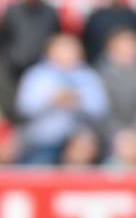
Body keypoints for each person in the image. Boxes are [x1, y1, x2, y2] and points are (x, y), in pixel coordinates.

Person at [15, 33, 109, 165]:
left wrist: (78, 102)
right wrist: (51, 101)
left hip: (79, 141)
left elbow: (100, 109)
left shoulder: (88, 76)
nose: (67, 54)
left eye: (71, 49)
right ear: (50, 51)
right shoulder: (37, 75)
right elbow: (24, 108)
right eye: (62, 49)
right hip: (43, 140)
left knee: (85, 146)